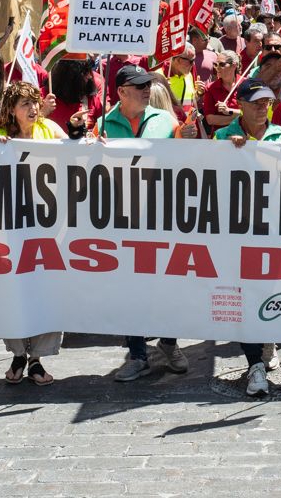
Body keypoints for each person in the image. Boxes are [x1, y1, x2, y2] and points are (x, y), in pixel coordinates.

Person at [102, 65, 192, 381]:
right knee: (129, 289)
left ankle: (169, 342)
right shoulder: (103, 125)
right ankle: (137, 354)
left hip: (161, 218)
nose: (145, 90)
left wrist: (191, 139)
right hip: (123, 221)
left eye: (147, 85)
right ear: (121, 92)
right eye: (138, 86)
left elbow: (188, 162)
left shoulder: (166, 121)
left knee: (167, 283)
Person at [213, 79, 281, 397]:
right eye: (256, 101)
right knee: (244, 295)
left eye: (267, 102)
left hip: (274, 231)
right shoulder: (221, 136)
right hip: (237, 231)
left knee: (270, 291)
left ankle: (266, 337)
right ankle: (255, 365)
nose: (263, 107)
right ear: (240, 104)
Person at [0, 82, 69, 384]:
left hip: (49, 228)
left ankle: (36, 358)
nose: (33, 108)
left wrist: (80, 136)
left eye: (34, 102)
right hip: (12, 230)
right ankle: (17, 353)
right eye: (24, 104)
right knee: (15, 291)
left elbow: (74, 153)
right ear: (11, 110)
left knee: (46, 289)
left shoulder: (49, 129)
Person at [49, 56, 104, 137]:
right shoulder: (47, 99)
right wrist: (43, 112)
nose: (90, 76)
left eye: (90, 71)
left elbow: (102, 129)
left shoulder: (91, 99)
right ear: (70, 77)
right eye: (85, 72)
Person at [200, 50, 242, 135]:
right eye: (215, 64)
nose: (217, 68)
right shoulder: (211, 88)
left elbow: (251, 112)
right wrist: (240, 118)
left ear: (234, 66)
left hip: (244, 135)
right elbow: (210, 119)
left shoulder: (245, 84)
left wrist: (229, 111)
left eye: (222, 64)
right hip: (220, 138)